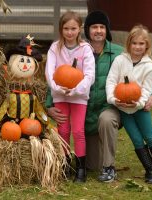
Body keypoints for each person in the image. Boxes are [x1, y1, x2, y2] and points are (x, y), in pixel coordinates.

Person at [46, 10, 152, 183]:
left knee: (106, 119)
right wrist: (49, 104)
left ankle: (109, 167)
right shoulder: (77, 50)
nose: (98, 30)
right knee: (92, 165)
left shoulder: (120, 53)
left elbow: (141, 74)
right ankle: (77, 162)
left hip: (108, 109)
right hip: (84, 113)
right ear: (87, 30)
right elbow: (60, 76)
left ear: (107, 30)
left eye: (102, 27)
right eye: (94, 27)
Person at [106, 24, 152, 185]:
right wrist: (113, 100)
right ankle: (150, 170)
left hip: (140, 108)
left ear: (146, 46)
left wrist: (139, 103)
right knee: (136, 139)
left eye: (141, 44)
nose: (137, 47)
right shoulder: (120, 60)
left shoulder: (149, 66)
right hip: (122, 107)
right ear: (129, 44)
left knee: (150, 138)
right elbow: (111, 81)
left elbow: (147, 89)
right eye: (134, 43)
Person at [45, 11, 95, 183]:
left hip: (79, 96)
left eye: (73, 28)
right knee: (63, 130)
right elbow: (50, 72)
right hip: (60, 95)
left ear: (79, 28)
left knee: (78, 131)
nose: (69, 32)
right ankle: (66, 164)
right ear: (61, 29)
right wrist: (57, 87)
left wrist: (75, 90)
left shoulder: (85, 49)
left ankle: (81, 167)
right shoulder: (55, 48)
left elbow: (89, 75)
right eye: (66, 28)